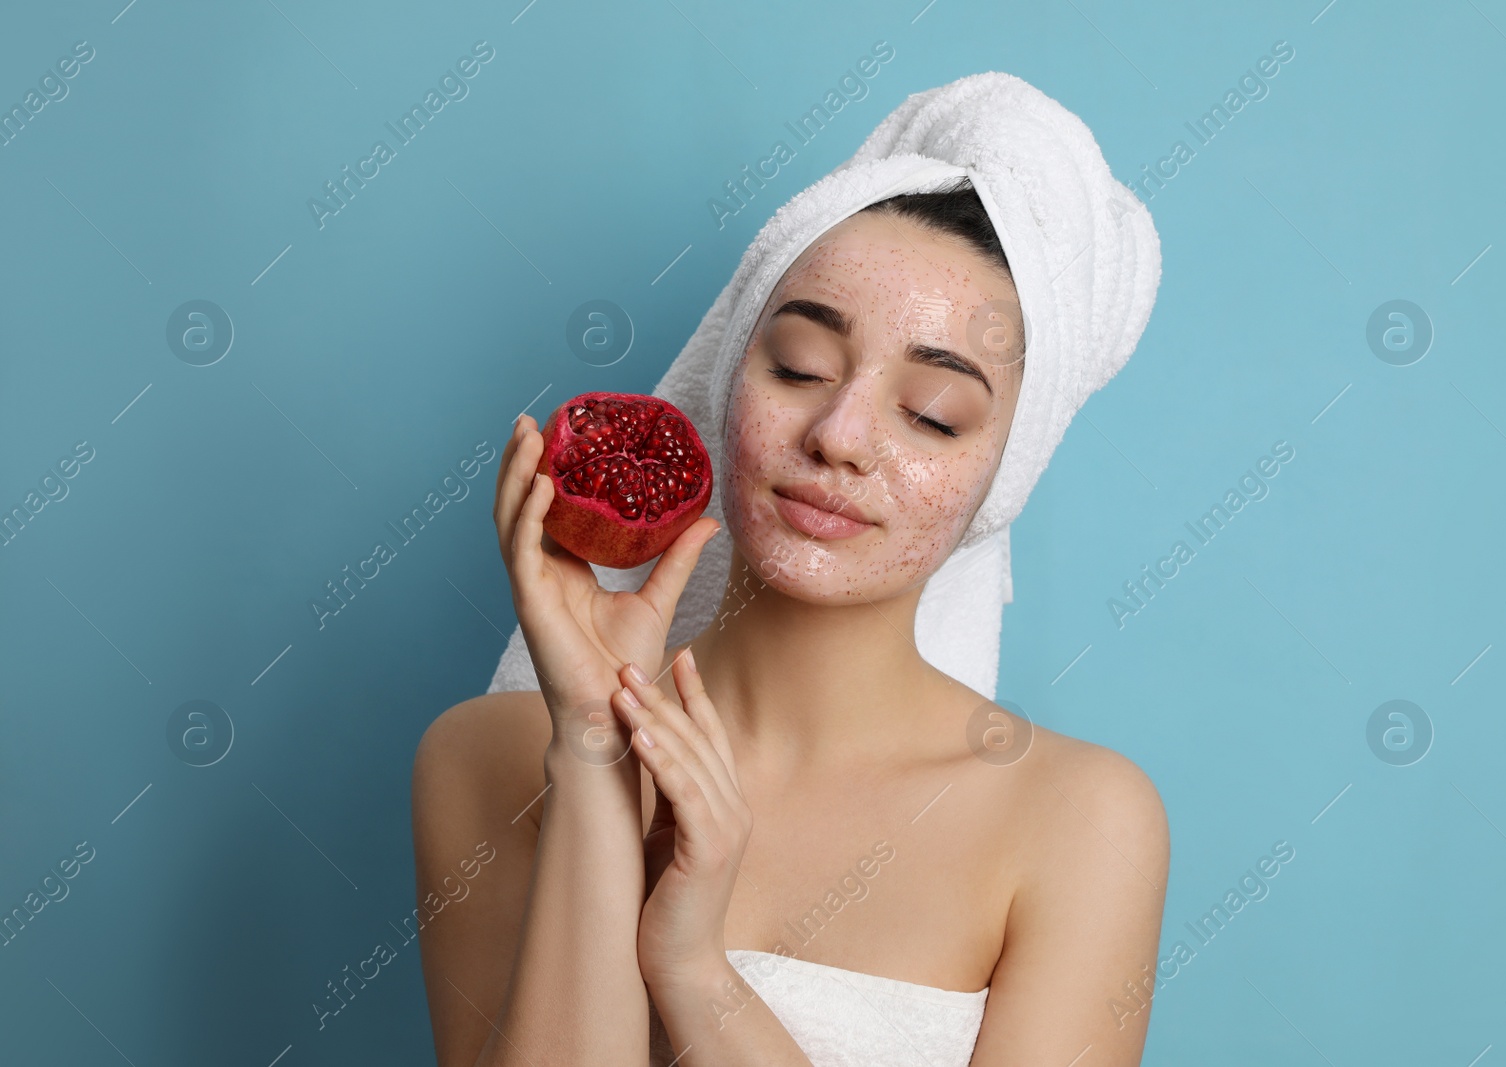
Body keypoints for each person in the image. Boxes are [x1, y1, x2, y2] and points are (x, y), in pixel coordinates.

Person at [413, 74, 1166, 1066]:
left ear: (1002, 472)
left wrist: (694, 971)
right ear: (729, 375)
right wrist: (594, 755)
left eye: (932, 413)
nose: (840, 434)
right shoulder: (488, 757)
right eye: (801, 365)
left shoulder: (1079, 820)